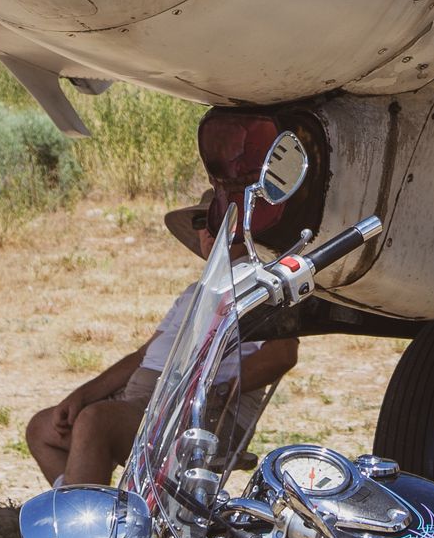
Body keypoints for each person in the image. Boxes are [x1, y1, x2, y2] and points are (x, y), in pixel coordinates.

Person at [26, 108, 315, 487]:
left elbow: (282, 355)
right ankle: (101, 516)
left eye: (215, 221)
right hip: (144, 398)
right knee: (44, 429)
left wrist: (214, 389)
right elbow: (145, 355)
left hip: (196, 410)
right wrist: (81, 394)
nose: (207, 232)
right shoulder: (195, 293)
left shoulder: (261, 286)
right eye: (202, 222)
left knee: (96, 423)